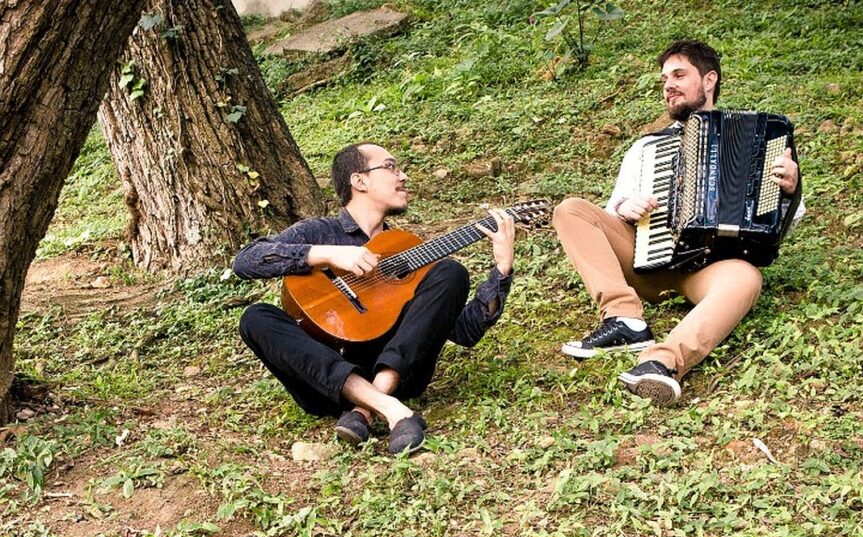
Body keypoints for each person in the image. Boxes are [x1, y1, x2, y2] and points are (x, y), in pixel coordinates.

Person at [553, 39, 804, 405]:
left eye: (679, 75)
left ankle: (660, 364)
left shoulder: (759, 138)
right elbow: (606, 218)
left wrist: (789, 190)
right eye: (664, 78)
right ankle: (625, 320)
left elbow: (788, 223)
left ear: (709, 80)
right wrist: (625, 207)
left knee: (747, 278)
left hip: (709, 272)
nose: (668, 85)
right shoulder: (645, 148)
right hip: (647, 261)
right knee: (570, 209)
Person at [234, 142, 515, 454]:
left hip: (401, 372)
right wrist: (327, 253)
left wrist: (502, 269)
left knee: (451, 272)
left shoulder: (407, 249)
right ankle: (390, 409)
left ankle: (366, 408)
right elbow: (247, 261)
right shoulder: (321, 232)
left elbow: (464, 331)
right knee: (255, 317)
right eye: (392, 167)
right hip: (325, 382)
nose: (403, 176)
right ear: (360, 181)